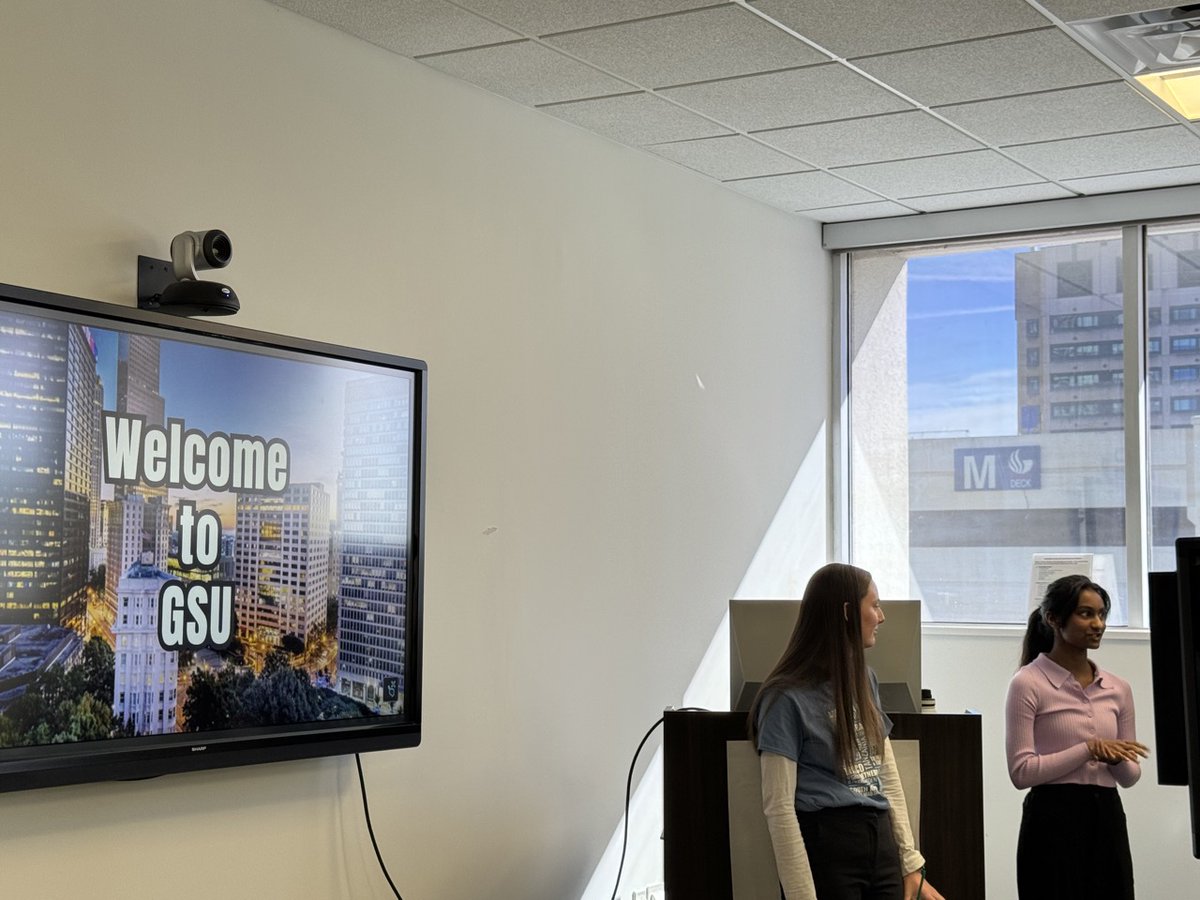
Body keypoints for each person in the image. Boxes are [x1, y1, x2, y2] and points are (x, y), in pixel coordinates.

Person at [749, 563, 944, 900]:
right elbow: (778, 806)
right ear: (846, 611)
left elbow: (885, 773)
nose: (881, 617)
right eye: (875, 605)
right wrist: (801, 895)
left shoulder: (864, 680)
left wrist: (910, 862)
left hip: (879, 840)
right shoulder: (784, 697)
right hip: (828, 845)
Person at [1005, 574, 1149, 900]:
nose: (1097, 624)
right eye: (1086, 614)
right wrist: (1088, 749)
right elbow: (1021, 772)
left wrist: (1115, 758)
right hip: (1051, 819)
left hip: (1107, 816)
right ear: (1054, 619)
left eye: (1102, 615)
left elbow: (1130, 777)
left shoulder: (1118, 688)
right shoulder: (1028, 683)